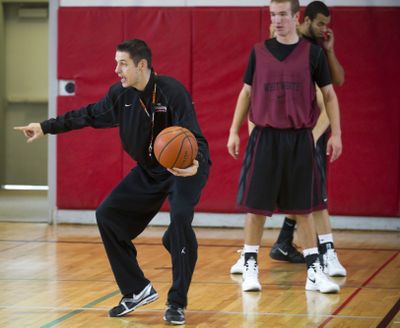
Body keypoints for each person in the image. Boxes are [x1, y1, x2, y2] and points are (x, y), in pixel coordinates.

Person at [14, 39, 211, 325]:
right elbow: (88, 115)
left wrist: (195, 163)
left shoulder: (172, 92)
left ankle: (177, 302)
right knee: (107, 216)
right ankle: (136, 290)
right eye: (116, 62)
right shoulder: (121, 96)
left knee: (179, 221)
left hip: (183, 168)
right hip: (149, 170)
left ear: (141, 65)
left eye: (123, 63)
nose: (116, 69)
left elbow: (195, 137)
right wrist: (45, 127)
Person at [227, 0, 342, 293]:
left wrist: (336, 134)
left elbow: (329, 95)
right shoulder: (258, 53)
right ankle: (250, 264)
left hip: (299, 138)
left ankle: (314, 271)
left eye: (282, 15)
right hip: (265, 137)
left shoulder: (313, 54)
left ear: (295, 16)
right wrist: (234, 131)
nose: (277, 20)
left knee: (304, 207)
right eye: (273, 15)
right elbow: (246, 93)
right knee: (256, 207)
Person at [269, 1, 346, 278]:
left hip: (313, 127)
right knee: (312, 194)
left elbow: (338, 81)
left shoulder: (316, 49)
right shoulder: (290, 43)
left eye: (328, 23)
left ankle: (284, 243)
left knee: (310, 192)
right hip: (298, 128)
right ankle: (325, 253)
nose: (325, 28)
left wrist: (331, 50)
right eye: (321, 23)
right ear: (306, 18)